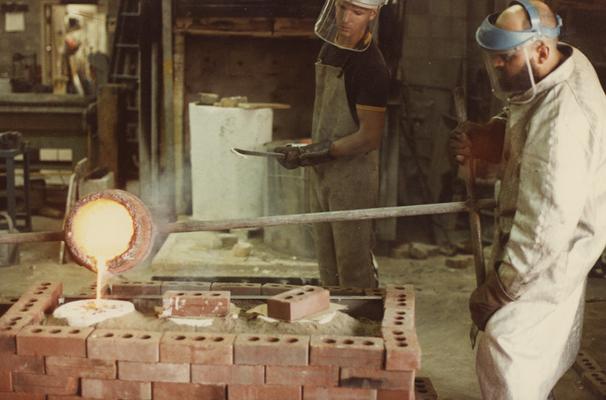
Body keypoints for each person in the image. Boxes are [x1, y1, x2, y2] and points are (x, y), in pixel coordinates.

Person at [450, 1, 606, 398]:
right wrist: (494, 135)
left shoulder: (561, 126)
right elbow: (528, 110)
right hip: (556, 236)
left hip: (556, 249)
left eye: (505, 58)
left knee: (506, 345)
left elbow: (541, 231)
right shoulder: (560, 63)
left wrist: (499, 291)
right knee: (537, 346)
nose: (498, 67)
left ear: (539, 50)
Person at [274, 0, 389, 288]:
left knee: (352, 267)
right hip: (323, 171)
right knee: (326, 264)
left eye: (358, 12)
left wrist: (320, 151)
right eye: (342, 8)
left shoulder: (371, 66)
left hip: (353, 177)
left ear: (372, 15)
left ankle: (360, 327)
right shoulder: (330, 49)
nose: (346, 19)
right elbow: (326, 113)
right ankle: (334, 330)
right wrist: (305, 151)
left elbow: (370, 136)